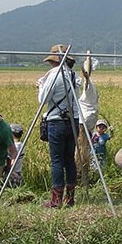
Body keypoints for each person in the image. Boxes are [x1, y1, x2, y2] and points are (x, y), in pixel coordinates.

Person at [37, 44, 82, 208]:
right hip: (73, 120)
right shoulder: (73, 75)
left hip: (57, 120)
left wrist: (40, 85)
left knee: (56, 161)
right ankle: (70, 198)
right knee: (69, 158)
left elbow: (43, 99)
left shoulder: (54, 75)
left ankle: (56, 200)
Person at [6, 123, 24, 187]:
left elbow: (9, 161)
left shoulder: (14, 147)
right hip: (18, 173)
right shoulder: (21, 145)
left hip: (12, 174)